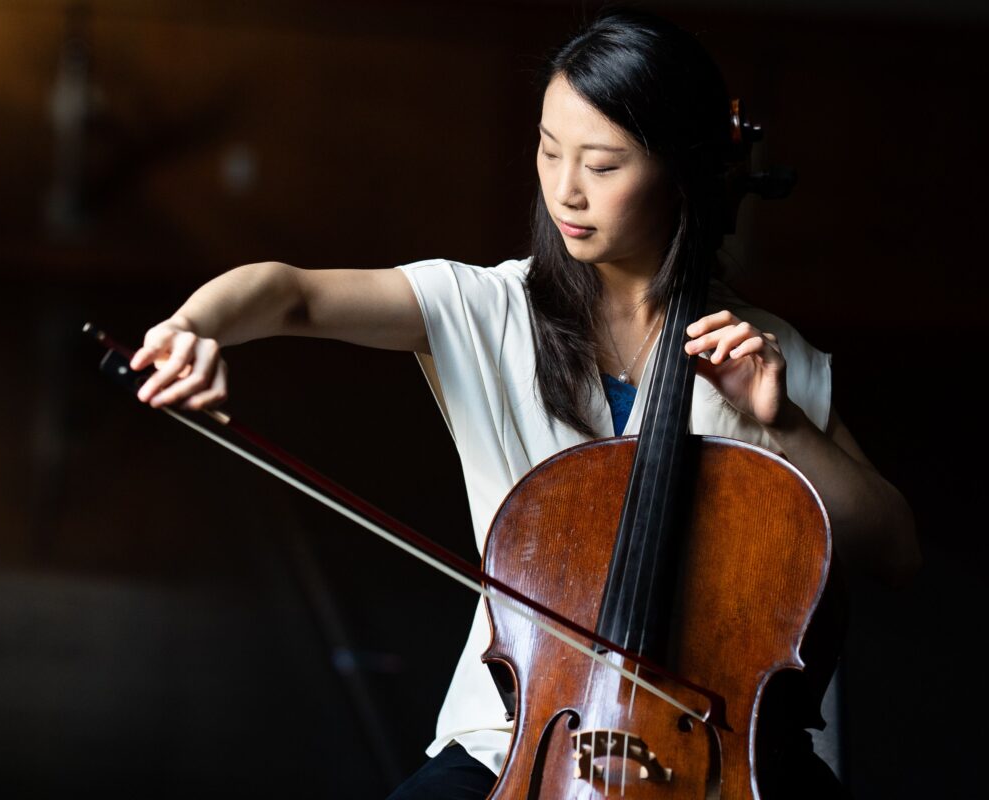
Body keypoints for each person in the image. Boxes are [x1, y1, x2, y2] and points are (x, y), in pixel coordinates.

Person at [129, 9, 919, 798]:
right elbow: (291, 293)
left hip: (723, 751)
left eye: (603, 165)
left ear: (683, 172)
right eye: (549, 150)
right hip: (522, 735)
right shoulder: (488, 309)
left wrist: (780, 425)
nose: (565, 189)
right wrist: (192, 326)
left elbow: (894, 551)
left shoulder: (759, 354)